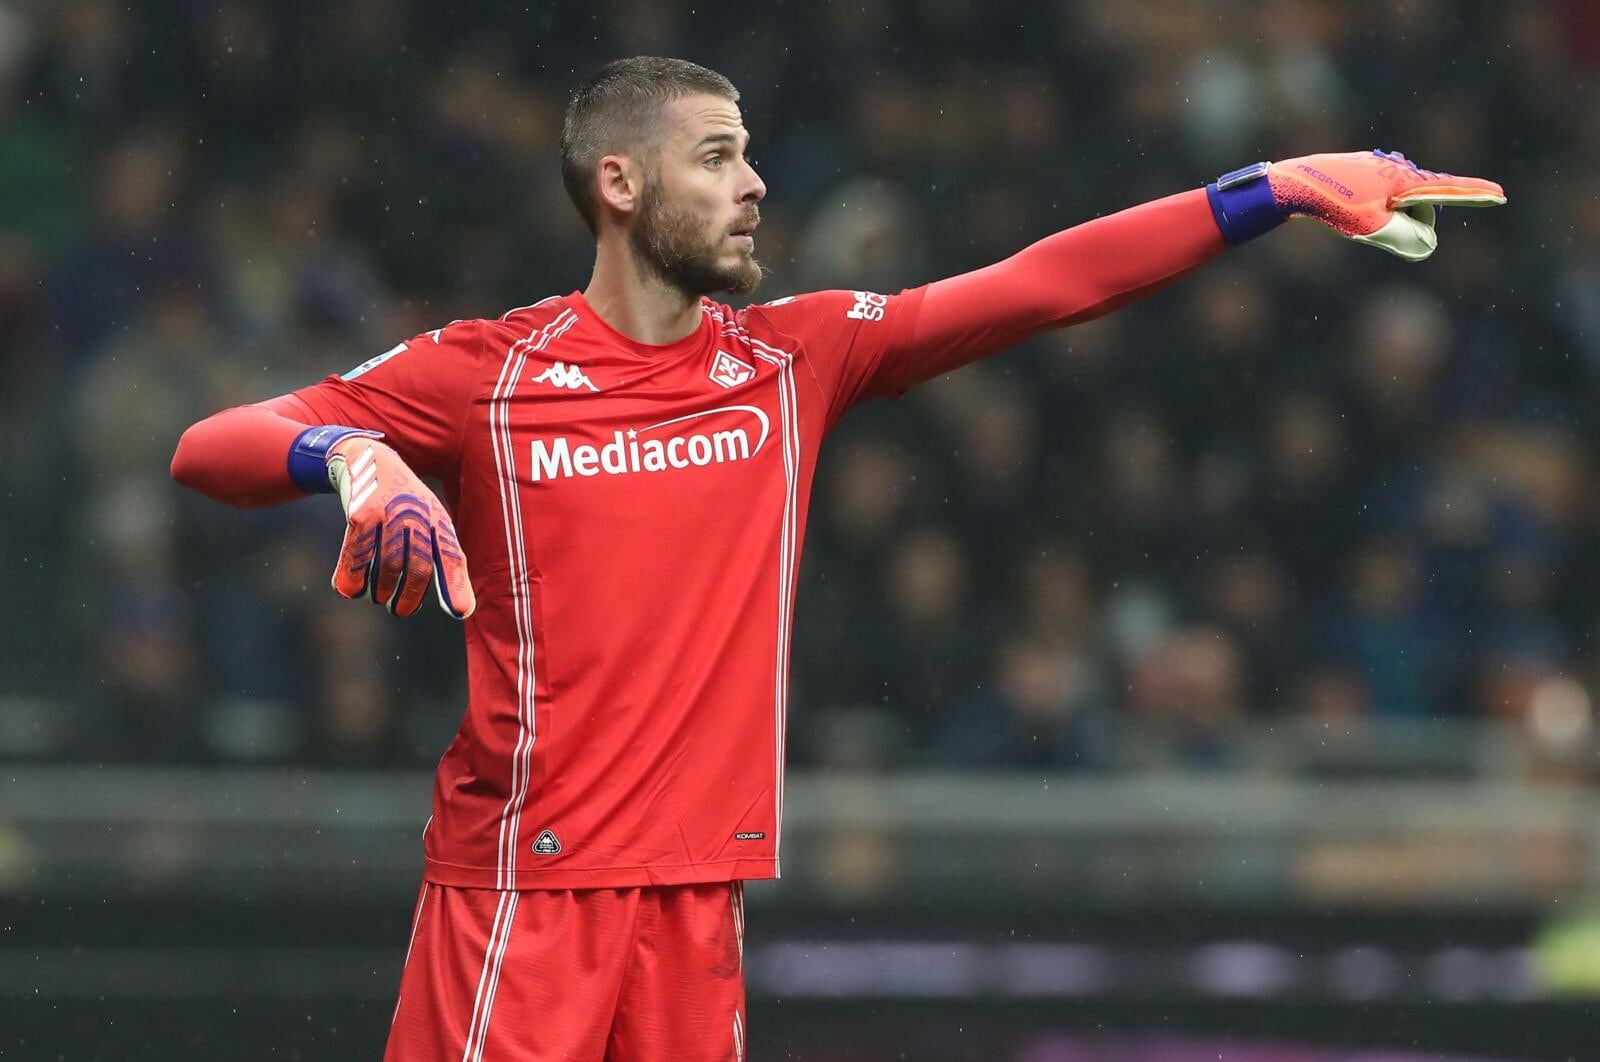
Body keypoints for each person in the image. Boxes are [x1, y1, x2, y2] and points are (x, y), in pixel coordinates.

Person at [170, 55, 1504, 1061]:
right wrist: (349, 458)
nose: (754, 185)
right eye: (716, 158)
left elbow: (1044, 284)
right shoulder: (491, 371)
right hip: (530, 890)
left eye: (751, 156)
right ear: (619, 185)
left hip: (698, 898)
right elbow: (212, 444)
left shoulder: (792, 358)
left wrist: (1264, 193)